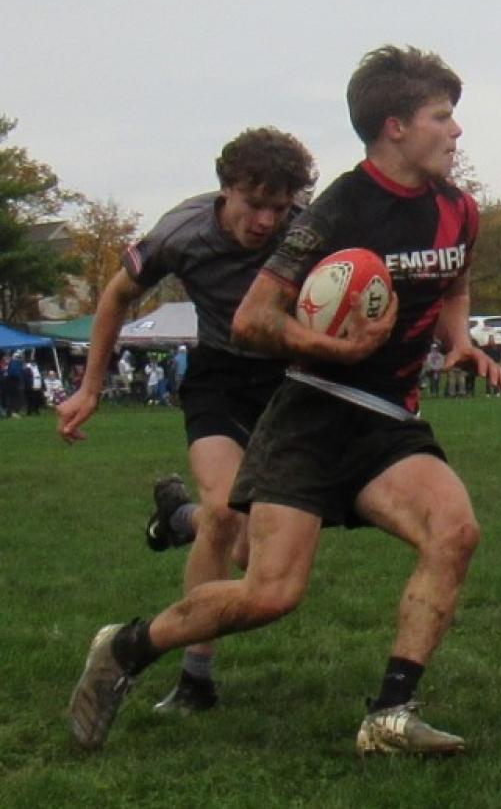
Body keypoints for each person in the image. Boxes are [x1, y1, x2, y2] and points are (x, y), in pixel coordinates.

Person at [69, 45, 501, 755]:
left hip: (389, 420)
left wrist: (459, 339)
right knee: (270, 592)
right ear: (395, 126)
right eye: (442, 117)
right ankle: (128, 647)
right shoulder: (335, 212)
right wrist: (341, 349)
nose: (456, 132)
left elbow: (454, 281)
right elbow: (254, 320)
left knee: (455, 532)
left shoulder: (459, 211)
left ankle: (390, 716)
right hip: (310, 413)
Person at [57, 127, 316, 716]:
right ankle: (196, 681)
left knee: (260, 563)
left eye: (279, 208)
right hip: (220, 378)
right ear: (225, 189)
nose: (266, 222)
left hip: (289, 383)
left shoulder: (310, 230)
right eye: (255, 205)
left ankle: (179, 518)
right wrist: (90, 387)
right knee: (225, 514)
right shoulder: (182, 232)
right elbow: (115, 296)